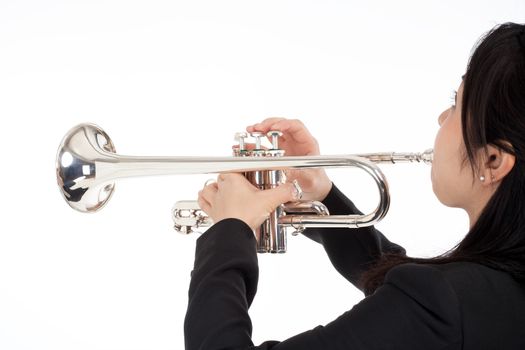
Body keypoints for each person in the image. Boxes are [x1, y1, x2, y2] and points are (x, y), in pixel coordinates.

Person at [184, 22, 525, 349]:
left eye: (456, 104)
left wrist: (230, 230)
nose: (441, 118)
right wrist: (322, 194)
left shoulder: (442, 302)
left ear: (492, 161)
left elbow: (425, 303)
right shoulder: (486, 290)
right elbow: (410, 295)